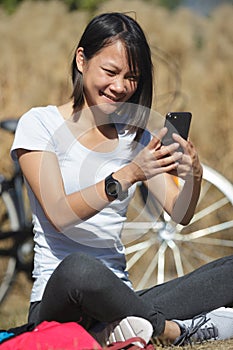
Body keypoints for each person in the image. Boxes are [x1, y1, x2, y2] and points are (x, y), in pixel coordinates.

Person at [11, 12, 233, 347]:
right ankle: (170, 330)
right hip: (61, 300)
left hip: (122, 299)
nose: (120, 86)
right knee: (79, 268)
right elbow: (59, 214)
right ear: (82, 59)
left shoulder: (135, 139)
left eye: (132, 77)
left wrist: (193, 178)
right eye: (111, 72)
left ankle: (125, 326)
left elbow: (180, 214)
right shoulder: (39, 124)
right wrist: (129, 174)